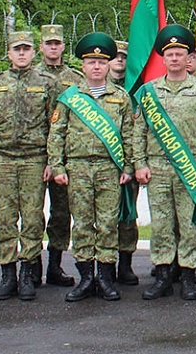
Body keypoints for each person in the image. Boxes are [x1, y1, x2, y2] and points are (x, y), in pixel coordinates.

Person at [135, 25, 196, 302]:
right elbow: (140, 131)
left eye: (179, 54)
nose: (174, 58)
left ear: (188, 59)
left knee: (189, 224)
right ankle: (163, 275)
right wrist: (139, 163)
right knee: (160, 224)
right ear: (163, 59)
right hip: (158, 167)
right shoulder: (149, 91)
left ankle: (188, 276)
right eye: (170, 54)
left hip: (191, 168)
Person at [0, 31, 61, 301]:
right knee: (6, 219)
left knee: (33, 218)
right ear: (8, 53)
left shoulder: (47, 83)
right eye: (16, 49)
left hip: (35, 159)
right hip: (3, 159)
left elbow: (54, 125)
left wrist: (51, 160)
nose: (22, 53)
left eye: (26, 49)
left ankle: (27, 273)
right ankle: (8, 274)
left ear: (34, 53)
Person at [47, 34, 135, 302]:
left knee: (108, 223)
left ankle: (105, 278)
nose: (96, 66)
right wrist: (57, 166)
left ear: (108, 66)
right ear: (83, 66)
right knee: (83, 224)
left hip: (109, 168)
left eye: (101, 62)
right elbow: (56, 134)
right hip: (78, 168)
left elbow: (129, 134)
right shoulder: (69, 98)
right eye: (91, 62)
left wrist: (129, 166)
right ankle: (86, 277)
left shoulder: (120, 98)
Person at [34, 23, 81, 288]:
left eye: (57, 43)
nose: (53, 47)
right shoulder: (30, 75)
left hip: (62, 156)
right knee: (31, 214)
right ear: (41, 46)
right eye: (48, 43)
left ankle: (55, 264)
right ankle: (31, 267)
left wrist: (58, 160)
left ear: (63, 46)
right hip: (32, 154)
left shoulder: (75, 79)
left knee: (61, 212)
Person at [109, 40, 140, 286]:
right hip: (101, 163)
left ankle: (125, 263)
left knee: (128, 214)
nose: (119, 60)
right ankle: (104, 266)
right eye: (115, 56)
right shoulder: (91, 88)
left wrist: (132, 165)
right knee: (103, 217)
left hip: (127, 163)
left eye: (124, 56)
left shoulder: (136, 88)